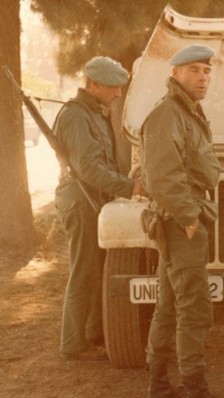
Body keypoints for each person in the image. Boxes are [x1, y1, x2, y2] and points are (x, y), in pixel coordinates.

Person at [141, 44, 221, 398]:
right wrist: (189, 217)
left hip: (181, 219)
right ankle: (195, 387)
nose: (202, 77)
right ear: (175, 74)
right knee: (194, 307)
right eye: (194, 71)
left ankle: (158, 385)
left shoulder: (187, 113)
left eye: (206, 70)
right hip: (180, 221)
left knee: (171, 306)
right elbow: (162, 175)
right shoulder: (168, 114)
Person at [54, 56, 146, 360]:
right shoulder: (77, 116)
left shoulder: (95, 113)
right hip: (80, 199)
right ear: (93, 84)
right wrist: (129, 187)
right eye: (113, 87)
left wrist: (125, 180)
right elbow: (89, 169)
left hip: (95, 198)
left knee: (99, 268)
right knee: (84, 269)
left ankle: (95, 333)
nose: (119, 93)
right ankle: (72, 343)